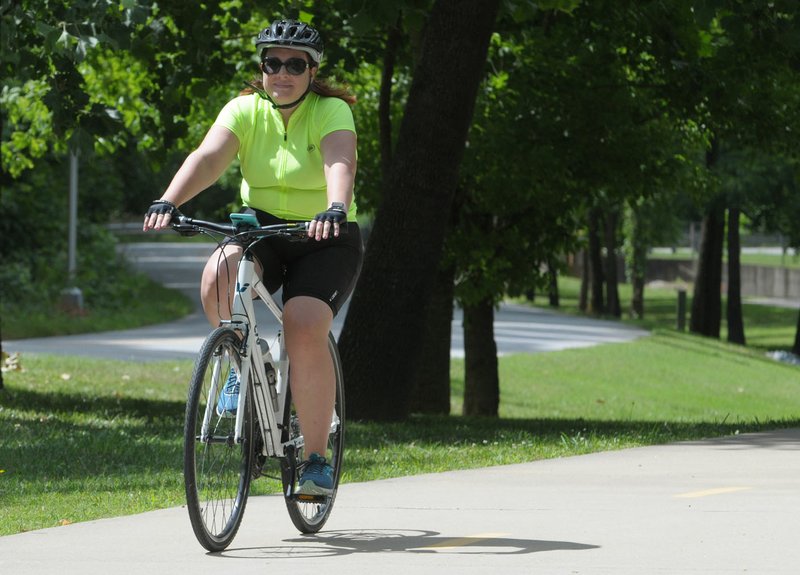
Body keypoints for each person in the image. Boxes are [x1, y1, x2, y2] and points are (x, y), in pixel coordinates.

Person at [143, 19, 363, 497]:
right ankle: (249, 364)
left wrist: (335, 208)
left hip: (324, 234)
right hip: (262, 226)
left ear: (312, 69)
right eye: (272, 62)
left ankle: (315, 461)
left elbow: (339, 161)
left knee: (302, 323)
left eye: (294, 64)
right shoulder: (244, 110)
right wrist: (170, 200)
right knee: (218, 275)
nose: (282, 72)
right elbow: (208, 157)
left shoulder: (331, 111)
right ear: (261, 67)